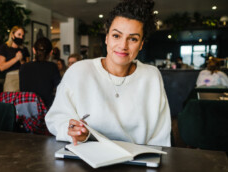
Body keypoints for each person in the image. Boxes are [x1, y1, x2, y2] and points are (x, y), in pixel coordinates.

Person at [45, 0, 171, 147]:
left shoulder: (151, 76)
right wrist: (75, 132)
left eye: (133, 39)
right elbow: (56, 119)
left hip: (137, 162)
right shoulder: (79, 71)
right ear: (107, 37)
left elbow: (160, 136)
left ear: (141, 44)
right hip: (87, 158)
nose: (123, 46)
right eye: (116, 36)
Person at [19, 37, 61, 108]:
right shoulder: (52, 67)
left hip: (27, 108)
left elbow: (22, 89)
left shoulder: (24, 67)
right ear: (51, 52)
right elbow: (60, 87)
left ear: (33, 50)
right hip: (46, 108)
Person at [0, 26, 30, 92]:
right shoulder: (4, 47)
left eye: (22, 36)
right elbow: (1, 67)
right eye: (19, 34)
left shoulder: (24, 49)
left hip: (23, 79)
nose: (21, 37)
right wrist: (16, 58)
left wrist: (21, 60)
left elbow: (28, 67)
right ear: (12, 35)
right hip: (11, 80)